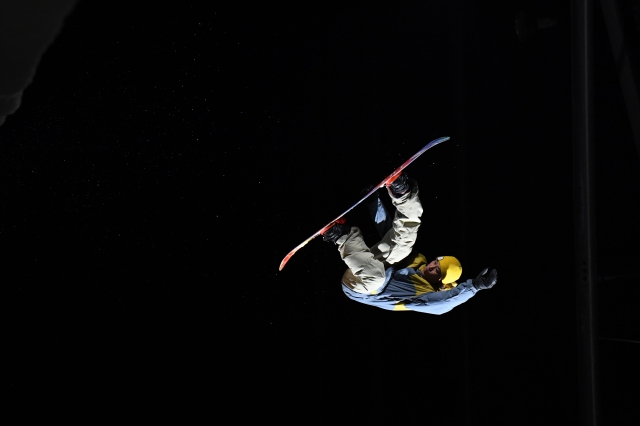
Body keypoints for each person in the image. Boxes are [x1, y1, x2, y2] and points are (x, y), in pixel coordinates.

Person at [321, 173, 497, 314]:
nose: (431, 266)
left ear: (441, 282)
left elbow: (444, 303)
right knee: (405, 244)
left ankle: (340, 236)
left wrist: (475, 286)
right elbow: (389, 232)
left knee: (377, 278)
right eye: (436, 262)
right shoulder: (418, 262)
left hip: (361, 289)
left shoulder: (426, 294)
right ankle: (403, 193)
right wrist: (373, 202)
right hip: (373, 267)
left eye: (437, 270)